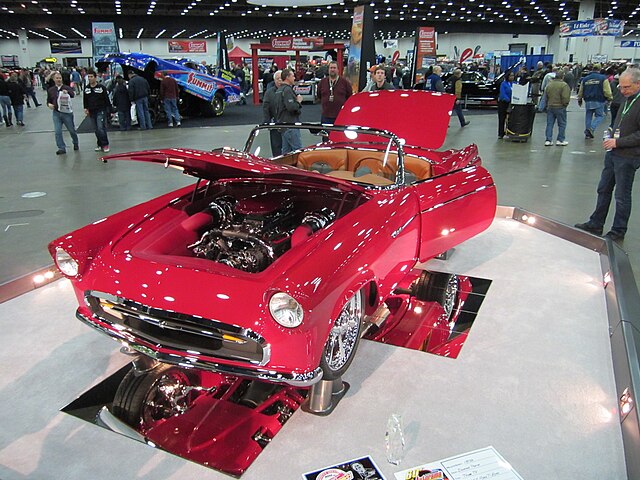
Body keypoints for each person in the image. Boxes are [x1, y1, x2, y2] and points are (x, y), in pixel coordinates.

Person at [575, 67, 640, 242]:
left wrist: (618, 142)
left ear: (638, 84)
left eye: (626, 87)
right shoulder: (626, 100)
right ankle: (596, 223)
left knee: (622, 195)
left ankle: (618, 230)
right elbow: (619, 122)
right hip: (613, 153)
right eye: (620, 87)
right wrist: (611, 133)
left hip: (628, 156)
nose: (622, 90)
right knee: (603, 189)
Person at [47, 72, 79, 155]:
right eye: (57, 78)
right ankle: (61, 147)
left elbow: (72, 94)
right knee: (58, 131)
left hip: (66, 113)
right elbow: (48, 101)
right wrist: (49, 105)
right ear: (54, 79)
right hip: (56, 113)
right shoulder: (51, 90)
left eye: (60, 78)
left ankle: (75, 142)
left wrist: (67, 92)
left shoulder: (66, 87)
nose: (58, 80)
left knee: (71, 130)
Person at [578, 65, 613, 139]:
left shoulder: (585, 79)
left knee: (588, 116)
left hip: (588, 100)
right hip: (599, 99)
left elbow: (581, 90)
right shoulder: (603, 78)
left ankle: (588, 131)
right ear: (599, 70)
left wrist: (579, 98)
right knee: (600, 116)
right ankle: (592, 129)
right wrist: (610, 98)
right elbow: (606, 90)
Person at [275, 68, 303, 154]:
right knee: (298, 151)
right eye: (293, 76)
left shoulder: (279, 90)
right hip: (291, 125)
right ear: (287, 77)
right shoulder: (287, 90)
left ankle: (284, 167)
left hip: (283, 125)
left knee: (286, 153)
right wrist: (298, 101)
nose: (294, 78)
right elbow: (291, 108)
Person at [83, 69, 110, 153]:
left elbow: (106, 99)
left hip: (101, 110)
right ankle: (99, 144)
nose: (90, 78)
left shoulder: (101, 88)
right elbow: (85, 99)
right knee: (96, 129)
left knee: (100, 127)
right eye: (89, 77)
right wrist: (85, 108)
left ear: (95, 78)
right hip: (91, 111)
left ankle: (105, 144)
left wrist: (109, 110)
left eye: (91, 77)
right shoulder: (86, 89)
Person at [317, 61, 352, 125]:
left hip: (340, 116)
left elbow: (349, 97)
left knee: (339, 134)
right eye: (331, 68)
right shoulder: (322, 82)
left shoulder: (345, 82)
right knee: (326, 134)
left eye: (334, 68)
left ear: (338, 70)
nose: (332, 70)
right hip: (326, 116)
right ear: (328, 70)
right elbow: (319, 95)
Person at [543, 69, 571, 146]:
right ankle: (560, 140)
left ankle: (548, 140)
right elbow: (565, 97)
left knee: (550, 124)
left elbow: (546, 96)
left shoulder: (549, 85)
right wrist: (565, 104)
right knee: (562, 124)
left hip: (550, 106)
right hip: (560, 107)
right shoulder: (564, 85)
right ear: (563, 76)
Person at [262, 69, 283, 156]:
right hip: (275, 124)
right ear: (274, 80)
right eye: (277, 79)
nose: (280, 81)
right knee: (276, 147)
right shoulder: (269, 93)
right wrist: (267, 122)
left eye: (281, 78)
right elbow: (266, 108)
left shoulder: (289, 90)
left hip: (288, 123)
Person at [497, 72, 514, 139]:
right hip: (503, 103)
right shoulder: (503, 84)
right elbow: (502, 94)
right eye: (511, 76)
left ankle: (509, 132)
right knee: (502, 118)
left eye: (513, 75)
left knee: (510, 119)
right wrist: (508, 99)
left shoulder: (514, 83)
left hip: (511, 103)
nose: (512, 77)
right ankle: (501, 133)